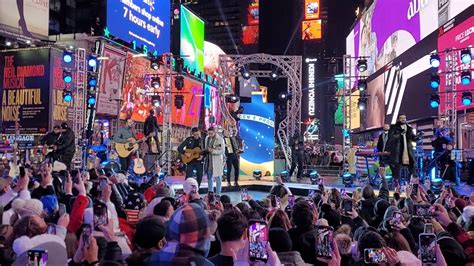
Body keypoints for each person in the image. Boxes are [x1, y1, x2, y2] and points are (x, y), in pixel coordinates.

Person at [387, 114, 417, 185]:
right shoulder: (394, 127)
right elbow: (391, 137)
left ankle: (411, 185)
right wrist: (400, 134)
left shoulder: (409, 128)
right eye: (401, 118)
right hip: (398, 152)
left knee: (412, 167)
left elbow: (413, 138)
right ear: (398, 119)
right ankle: (397, 186)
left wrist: (419, 136)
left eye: (404, 118)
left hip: (408, 151)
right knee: (397, 169)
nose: (403, 119)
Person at [204, 127, 225, 195]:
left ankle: (218, 194)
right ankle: (210, 192)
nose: (210, 135)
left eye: (211, 133)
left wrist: (213, 151)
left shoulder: (220, 139)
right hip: (208, 161)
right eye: (209, 133)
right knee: (209, 177)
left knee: (218, 178)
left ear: (215, 132)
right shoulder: (207, 138)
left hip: (216, 161)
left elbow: (222, 151)